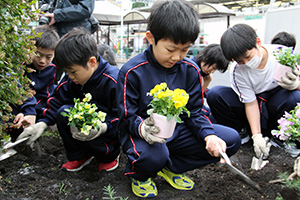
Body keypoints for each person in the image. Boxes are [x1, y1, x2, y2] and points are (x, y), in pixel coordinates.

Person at [116, 0, 241, 198]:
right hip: (143, 133)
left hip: (176, 130)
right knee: (152, 155)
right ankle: (140, 175)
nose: (177, 57)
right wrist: (142, 128)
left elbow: (195, 112)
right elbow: (126, 116)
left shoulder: (190, 70)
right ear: (150, 38)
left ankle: (172, 167)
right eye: (171, 49)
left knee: (229, 140)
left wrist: (209, 135)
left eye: (185, 50)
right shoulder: (132, 71)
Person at [17, 28, 120, 172]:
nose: (70, 76)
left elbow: (124, 118)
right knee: (63, 112)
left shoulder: (114, 81)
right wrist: (42, 123)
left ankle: (109, 155)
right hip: (87, 126)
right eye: (66, 72)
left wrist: (104, 127)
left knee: (91, 122)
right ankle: (79, 155)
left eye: (72, 72)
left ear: (91, 62)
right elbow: (57, 100)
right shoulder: (73, 79)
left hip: (107, 130)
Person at [206, 24, 300, 159]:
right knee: (216, 94)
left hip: (277, 100)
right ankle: (242, 133)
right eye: (240, 61)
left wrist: (296, 84)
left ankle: (281, 137)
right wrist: (257, 135)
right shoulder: (237, 71)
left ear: (258, 42)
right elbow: (250, 103)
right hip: (253, 104)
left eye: (247, 56)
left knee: (295, 96)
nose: (246, 63)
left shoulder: (281, 54)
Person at [40, 0, 96, 84]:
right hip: (55, 35)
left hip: (75, 39)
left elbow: (85, 9)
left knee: (76, 74)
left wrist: (58, 15)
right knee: (51, 76)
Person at [25, 25, 59, 120]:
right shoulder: (22, 65)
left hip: (37, 107)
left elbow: (45, 95)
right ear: (29, 48)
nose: (42, 61)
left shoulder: (51, 69)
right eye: (38, 55)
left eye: (48, 57)